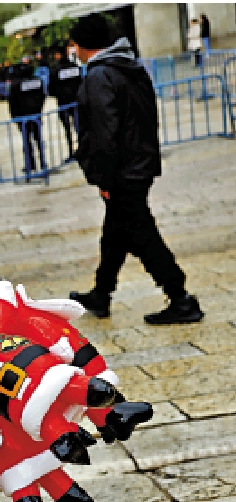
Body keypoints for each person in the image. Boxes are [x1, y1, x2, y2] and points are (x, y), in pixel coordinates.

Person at [68, 14, 203, 324]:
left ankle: (180, 297)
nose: (72, 50)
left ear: (84, 44)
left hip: (122, 173)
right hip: (138, 165)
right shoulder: (128, 67)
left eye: (74, 44)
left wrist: (104, 178)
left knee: (142, 235)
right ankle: (101, 294)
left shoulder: (100, 75)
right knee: (115, 233)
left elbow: (105, 133)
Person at [8, 58, 46, 175]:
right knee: (38, 139)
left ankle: (31, 164)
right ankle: (42, 162)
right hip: (36, 114)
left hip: (23, 117)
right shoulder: (38, 81)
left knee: (27, 141)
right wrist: (39, 109)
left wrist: (15, 117)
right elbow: (42, 96)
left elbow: (12, 102)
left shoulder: (16, 84)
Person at [49, 48, 83, 158]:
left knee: (67, 129)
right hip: (76, 101)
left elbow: (51, 89)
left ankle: (71, 151)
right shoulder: (75, 67)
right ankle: (82, 149)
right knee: (79, 127)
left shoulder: (55, 70)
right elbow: (81, 83)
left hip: (63, 103)